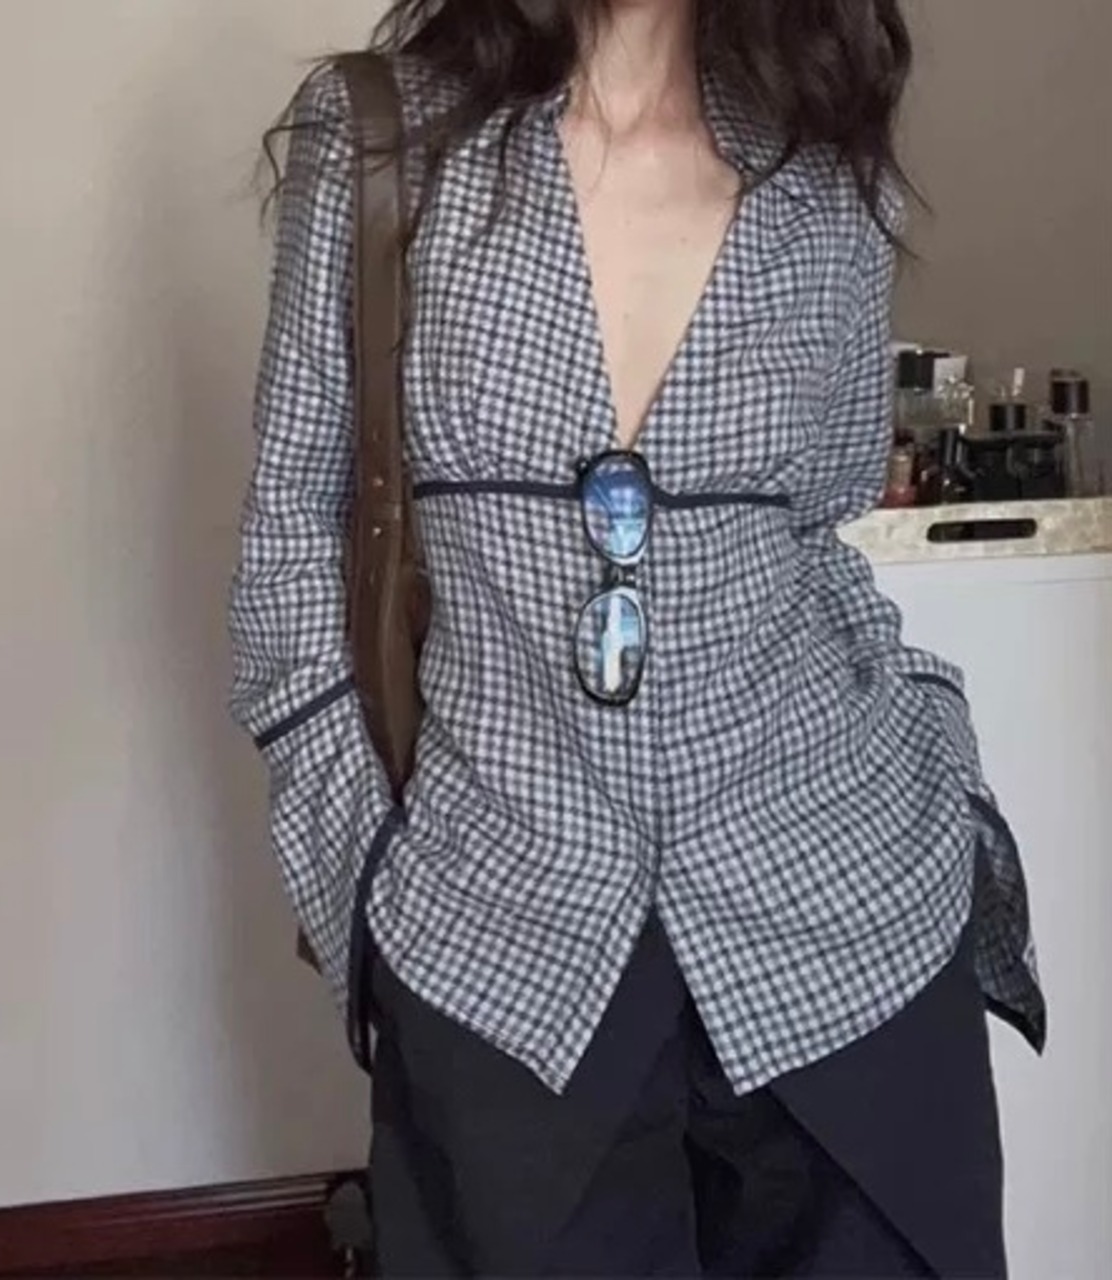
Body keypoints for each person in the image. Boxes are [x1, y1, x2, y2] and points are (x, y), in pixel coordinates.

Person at [229, 1, 1046, 1275]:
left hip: (842, 907)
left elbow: (822, 516)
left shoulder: (824, 156)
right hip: (503, 925)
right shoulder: (381, 134)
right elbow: (289, 541)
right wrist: (373, 887)